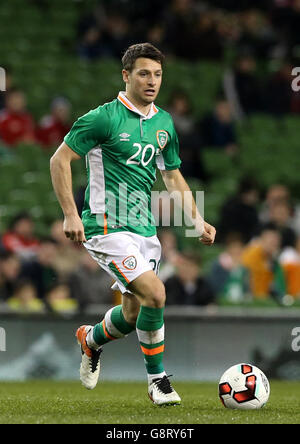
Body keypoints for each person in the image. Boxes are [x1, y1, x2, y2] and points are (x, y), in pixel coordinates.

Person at [50, 42, 216, 406]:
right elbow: (59, 160)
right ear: (126, 75)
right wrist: (70, 213)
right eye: (143, 73)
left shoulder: (164, 123)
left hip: (144, 230)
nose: (152, 80)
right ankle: (158, 381)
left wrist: (196, 219)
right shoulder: (103, 118)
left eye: (157, 74)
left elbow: (172, 175)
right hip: (106, 227)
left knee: (134, 312)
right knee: (156, 293)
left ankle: (90, 339)